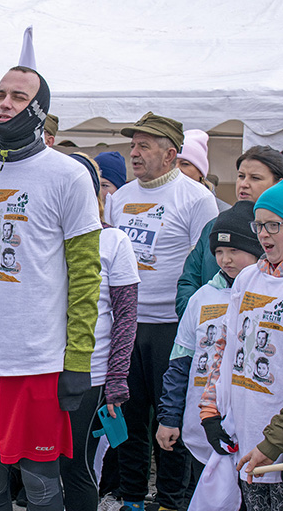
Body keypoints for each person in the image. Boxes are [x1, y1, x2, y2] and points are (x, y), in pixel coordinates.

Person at [0, 66, 102, 511]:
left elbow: (87, 277)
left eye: (17, 97)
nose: (5, 104)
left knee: (40, 481)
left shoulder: (68, 176)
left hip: (36, 360)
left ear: (39, 111)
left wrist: (78, 359)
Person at [105, 111, 219, 511]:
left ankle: (172, 500)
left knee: (171, 420)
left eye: (144, 146)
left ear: (171, 154)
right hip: (127, 324)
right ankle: (131, 497)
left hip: (173, 327)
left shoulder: (196, 198)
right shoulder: (119, 198)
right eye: (132, 145)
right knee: (129, 418)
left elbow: (207, 268)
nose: (134, 154)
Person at [156, 201, 262, 494]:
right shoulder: (202, 297)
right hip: (200, 425)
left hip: (250, 428)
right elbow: (180, 361)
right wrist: (168, 417)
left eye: (234, 251)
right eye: (218, 251)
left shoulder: (265, 297)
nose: (225, 259)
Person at [59, 153, 139, 511]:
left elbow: (125, 317)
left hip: (88, 375)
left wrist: (116, 378)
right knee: (34, 463)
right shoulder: (44, 237)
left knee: (75, 464)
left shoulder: (114, 241)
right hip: (37, 366)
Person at [199, 182, 283, 510]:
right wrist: (210, 409)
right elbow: (225, 346)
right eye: (259, 225)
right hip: (248, 437)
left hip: (274, 445)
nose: (264, 234)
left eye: (274, 225)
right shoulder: (248, 278)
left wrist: (273, 441)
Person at [176, 146, 283, 319]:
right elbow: (189, 280)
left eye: (255, 178)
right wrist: (197, 318)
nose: (244, 184)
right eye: (241, 176)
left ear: (278, 184)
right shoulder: (215, 225)